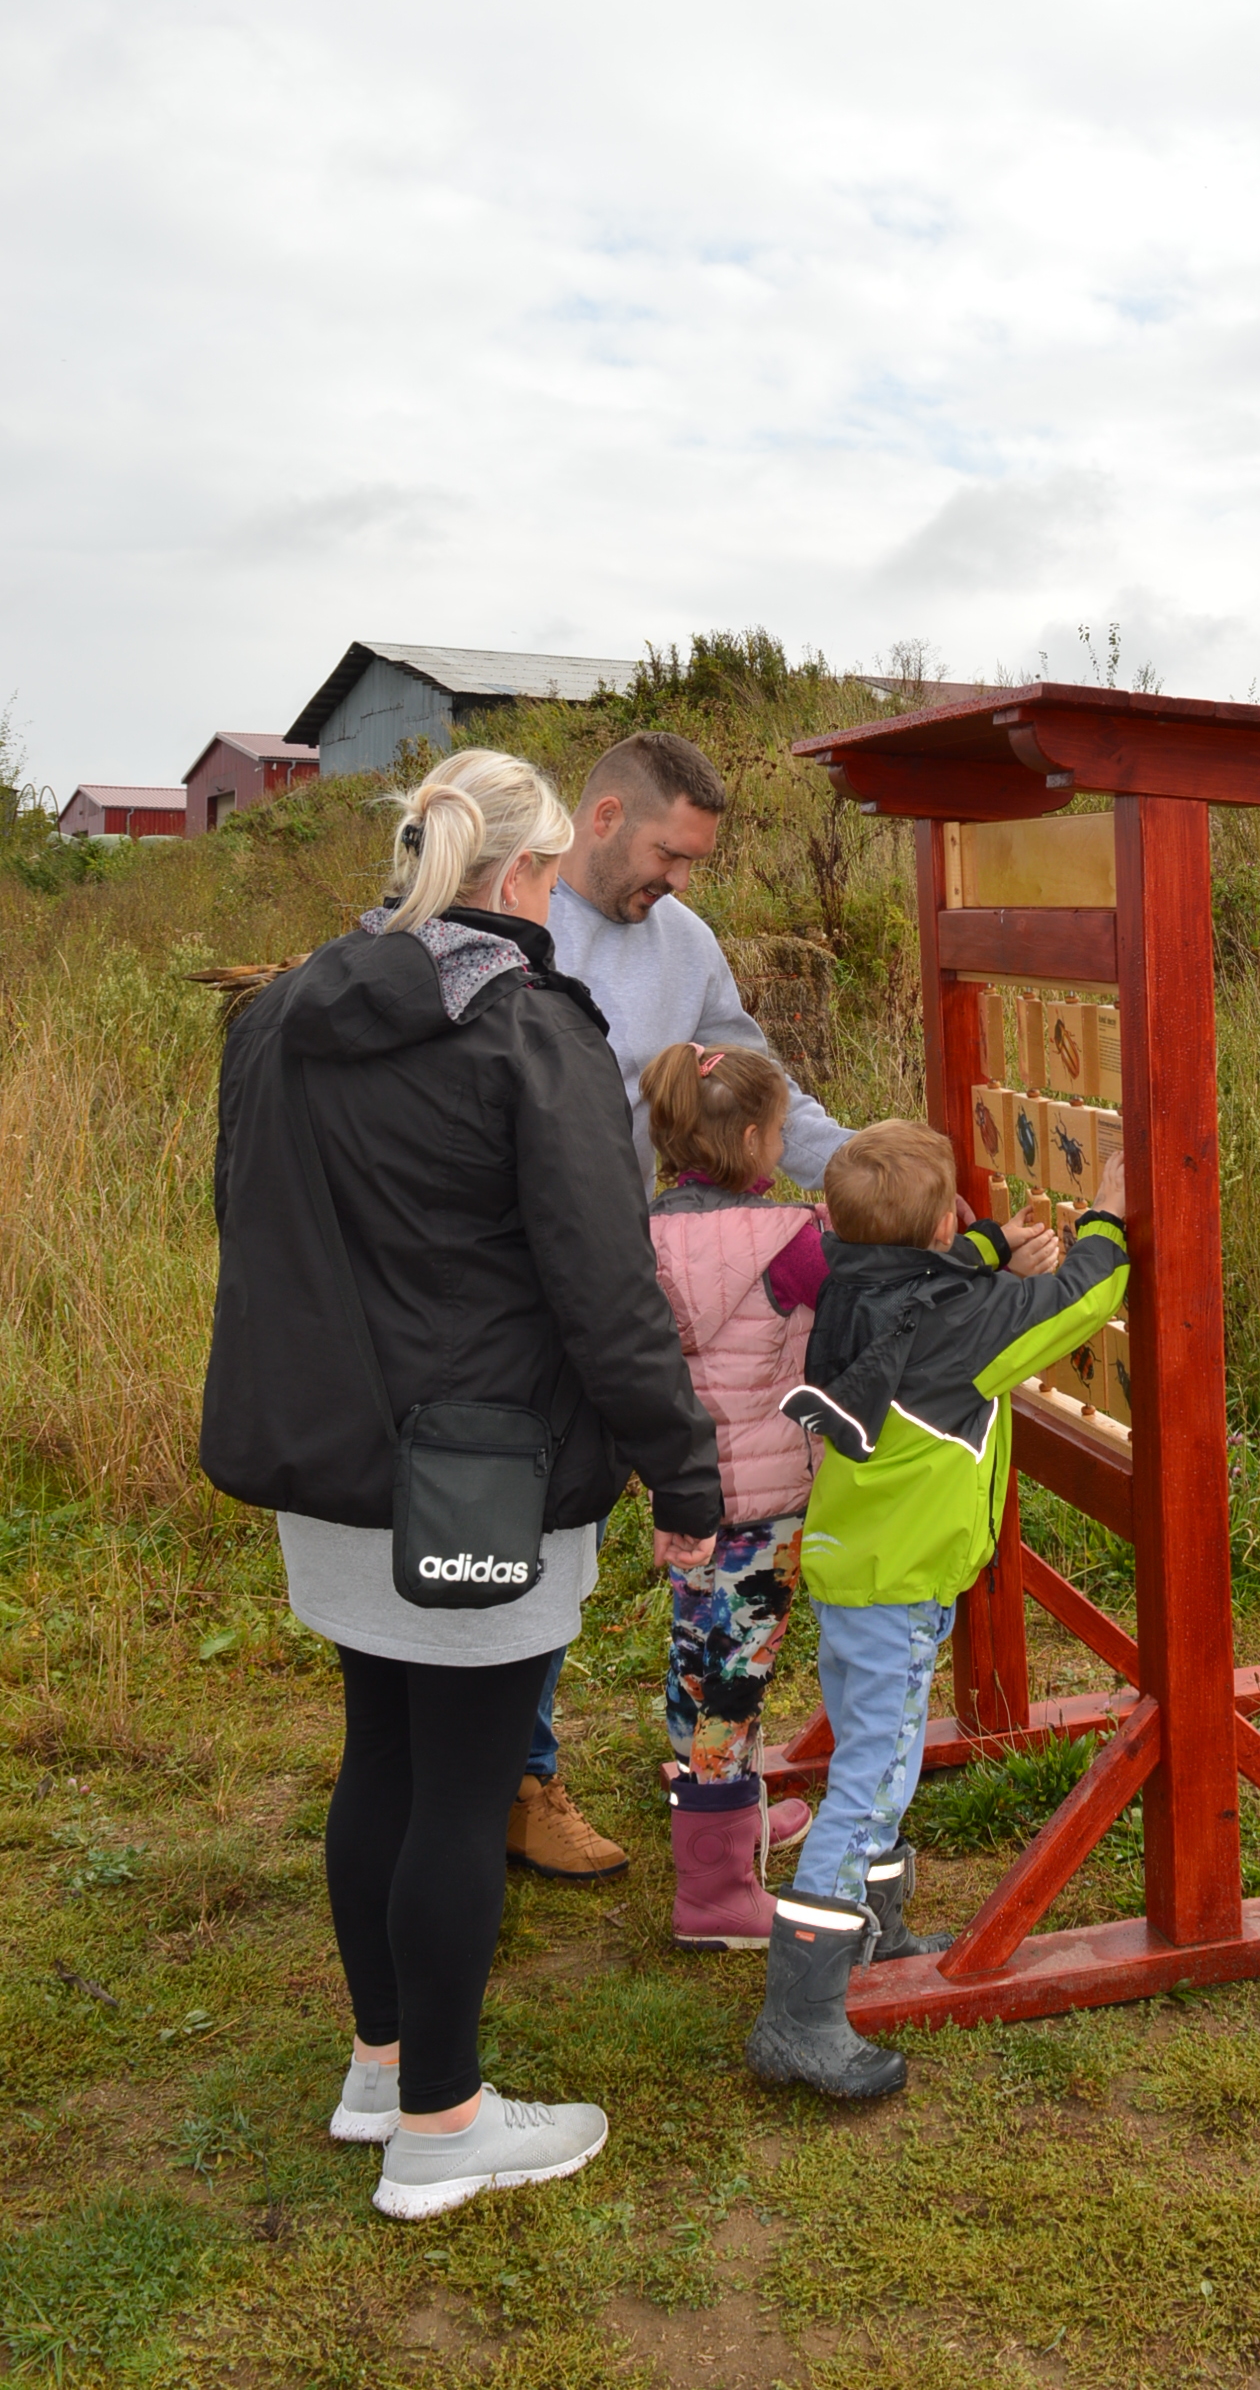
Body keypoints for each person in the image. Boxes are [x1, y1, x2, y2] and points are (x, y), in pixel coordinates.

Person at [200, 748, 723, 2221]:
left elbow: (242, 1219)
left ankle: (384, 2067)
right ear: (523, 878)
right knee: (463, 1787)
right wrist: (683, 1473)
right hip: (478, 1475)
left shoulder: (283, 1010)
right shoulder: (531, 1029)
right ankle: (441, 2125)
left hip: (332, 1465)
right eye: (553, 881)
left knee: (383, 1755)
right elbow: (604, 1283)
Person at [510, 727, 853, 1884]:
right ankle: (519, 1776)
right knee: (522, 1516)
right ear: (602, 817)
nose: (680, 880)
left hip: (637, 1273)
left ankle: (664, 1768)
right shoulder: (513, 917)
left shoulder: (685, 941)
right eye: (669, 851)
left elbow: (753, 1083)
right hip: (513, 1276)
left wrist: (862, 1169)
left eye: (695, 860)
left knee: (623, 1531)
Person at [745, 1119, 1129, 2101]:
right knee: (868, 1782)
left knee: (888, 1758)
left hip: (856, 1569)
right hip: (898, 1584)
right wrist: (1109, 1221)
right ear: (932, 1226)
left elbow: (941, 1271)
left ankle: (873, 1937)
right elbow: (1074, 1304)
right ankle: (798, 2017)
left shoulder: (851, 1276)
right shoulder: (957, 1324)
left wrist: (994, 1243)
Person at [641, 1039, 832, 1948]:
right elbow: (860, 1295)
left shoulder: (641, 1233)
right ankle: (712, 1895)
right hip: (765, 1509)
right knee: (735, 1685)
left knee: (701, 1668)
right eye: (783, 1130)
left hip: (687, 1502)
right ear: (755, 1138)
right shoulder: (791, 1244)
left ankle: (733, 1823)